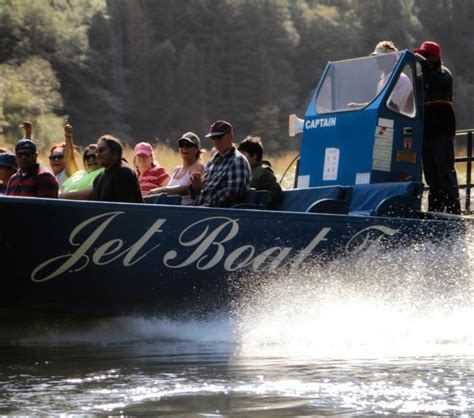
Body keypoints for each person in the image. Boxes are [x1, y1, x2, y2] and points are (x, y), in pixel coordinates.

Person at [414, 40, 461, 214]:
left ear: (435, 56)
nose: (423, 58)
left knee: (445, 170)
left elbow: (435, 82)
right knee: (431, 174)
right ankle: (436, 209)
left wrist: (424, 64)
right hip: (426, 131)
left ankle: (453, 211)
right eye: (422, 55)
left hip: (442, 130)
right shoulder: (420, 79)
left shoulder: (444, 74)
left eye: (426, 55)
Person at [190, 120, 250, 207]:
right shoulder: (212, 161)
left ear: (231, 136)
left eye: (219, 137)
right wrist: (197, 188)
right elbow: (203, 194)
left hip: (222, 216)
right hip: (202, 212)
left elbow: (231, 193)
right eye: (213, 138)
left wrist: (205, 206)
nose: (216, 141)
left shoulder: (238, 161)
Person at [150, 132, 204, 205]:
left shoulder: (198, 165)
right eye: (182, 145)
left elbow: (188, 188)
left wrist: (162, 190)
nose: (184, 148)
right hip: (170, 208)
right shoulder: (177, 169)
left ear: (197, 149)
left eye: (188, 145)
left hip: (185, 209)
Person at [90, 134, 143, 203]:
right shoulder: (98, 178)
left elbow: (126, 207)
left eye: (102, 150)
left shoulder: (124, 172)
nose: (97, 155)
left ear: (114, 151)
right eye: (96, 152)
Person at [60, 123, 104, 198]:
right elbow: (69, 159)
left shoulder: (105, 172)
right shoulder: (78, 173)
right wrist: (68, 136)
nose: (91, 159)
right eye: (87, 157)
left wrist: (61, 196)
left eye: (94, 156)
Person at [237, 135, 282, 205]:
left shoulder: (263, 171)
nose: (239, 158)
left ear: (254, 156)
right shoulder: (241, 171)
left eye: (243, 154)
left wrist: (260, 202)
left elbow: (275, 191)